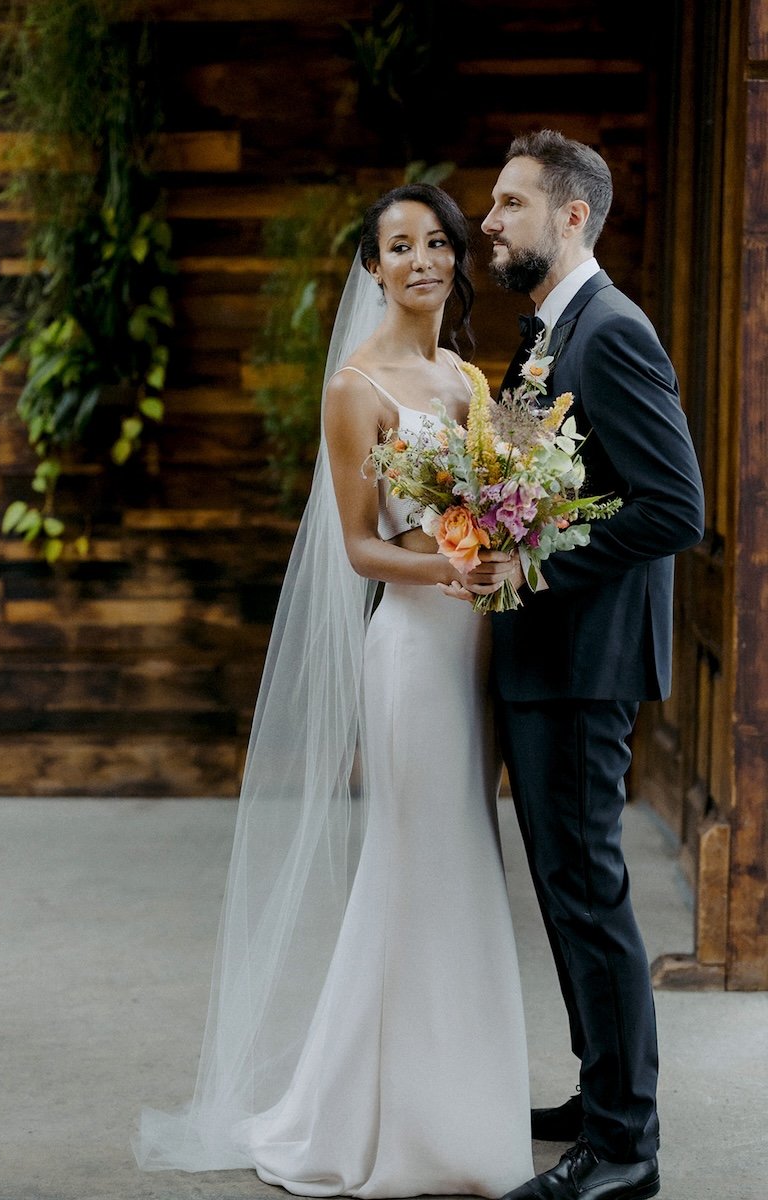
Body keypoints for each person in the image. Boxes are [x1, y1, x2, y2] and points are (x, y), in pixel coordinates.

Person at [134, 183, 534, 1198]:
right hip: (409, 653)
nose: (421, 261)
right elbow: (360, 548)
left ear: (455, 260)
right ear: (370, 269)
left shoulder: (467, 379)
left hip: (473, 652)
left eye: (436, 243)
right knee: (413, 867)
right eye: (397, 247)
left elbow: (494, 519)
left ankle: (461, 1114)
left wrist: (507, 555)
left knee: (464, 865)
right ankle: (378, 1126)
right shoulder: (356, 388)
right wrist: (447, 570)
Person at [475, 131, 705, 1200]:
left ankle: (622, 1148)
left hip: (582, 661)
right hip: (548, 660)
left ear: (570, 217)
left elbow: (673, 508)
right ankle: (597, 1090)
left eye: (510, 204)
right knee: (566, 895)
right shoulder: (549, 335)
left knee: (588, 895)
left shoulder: (607, 332)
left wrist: (530, 561)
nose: (488, 223)